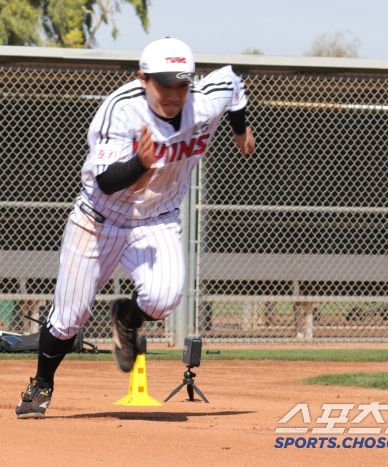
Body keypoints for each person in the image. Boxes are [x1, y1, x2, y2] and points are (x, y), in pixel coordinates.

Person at [15, 37, 255, 418]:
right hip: (99, 220)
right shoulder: (121, 110)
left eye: (182, 84)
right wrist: (141, 164)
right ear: (143, 78)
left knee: (165, 297)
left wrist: (239, 129)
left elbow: (233, 83)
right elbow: (105, 181)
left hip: (157, 218)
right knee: (69, 318)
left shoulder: (205, 98)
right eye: (164, 83)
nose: (175, 93)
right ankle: (42, 383)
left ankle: (126, 318)